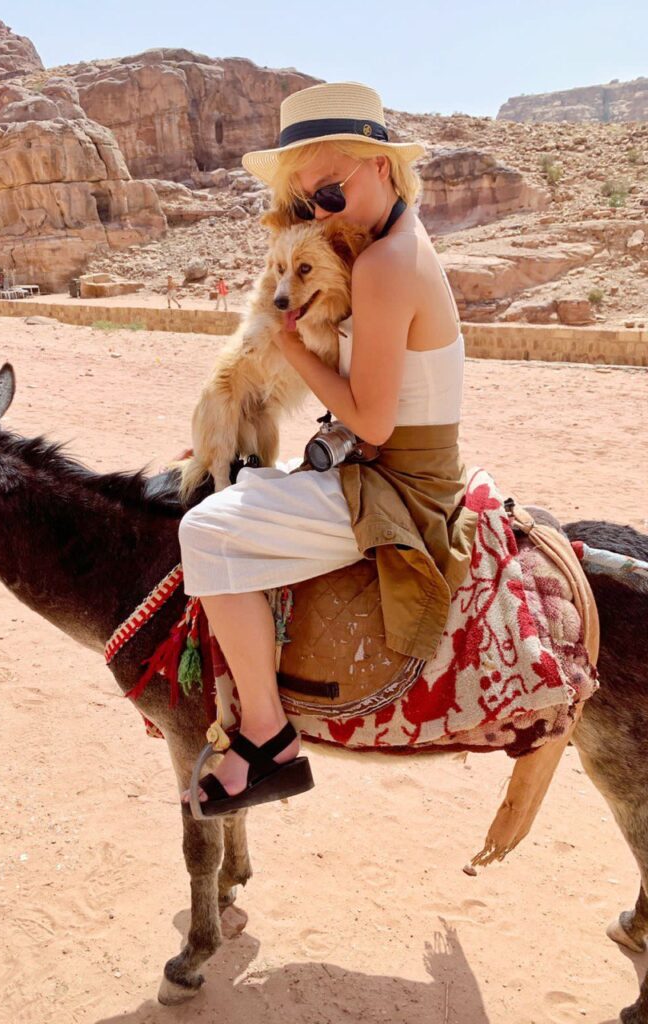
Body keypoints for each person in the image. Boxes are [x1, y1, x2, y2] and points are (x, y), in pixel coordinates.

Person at [177, 81, 478, 816]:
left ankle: (267, 735)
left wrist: (292, 344)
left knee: (203, 530)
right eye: (309, 202)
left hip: (398, 485)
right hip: (387, 464)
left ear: (380, 166)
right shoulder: (388, 244)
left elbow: (371, 423)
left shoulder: (384, 266)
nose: (321, 214)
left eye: (330, 194)